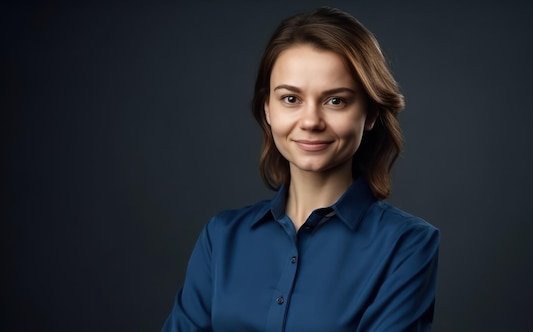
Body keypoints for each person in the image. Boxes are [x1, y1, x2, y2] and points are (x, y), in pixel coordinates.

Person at [162, 7, 439, 332]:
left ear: (371, 113)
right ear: (267, 108)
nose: (310, 122)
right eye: (291, 99)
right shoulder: (221, 237)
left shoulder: (407, 244)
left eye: (335, 101)